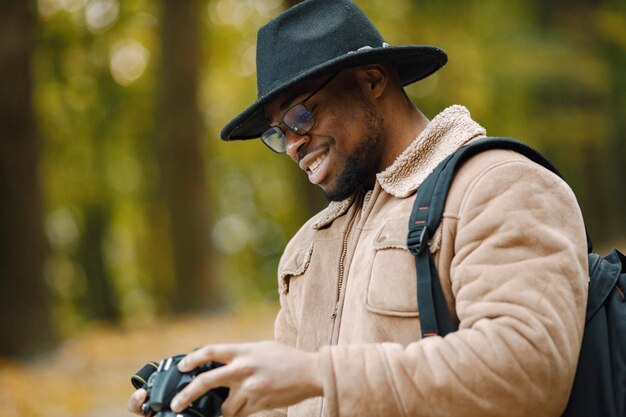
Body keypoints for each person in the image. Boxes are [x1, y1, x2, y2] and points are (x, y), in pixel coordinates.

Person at [128, 0, 588, 416]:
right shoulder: (306, 250)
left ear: (372, 80)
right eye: (278, 133)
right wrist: (215, 401)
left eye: (300, 116)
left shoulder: (499, 184)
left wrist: (317, 374)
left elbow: (530, 372)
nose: (291, 145)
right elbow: (298, 401)